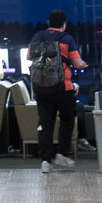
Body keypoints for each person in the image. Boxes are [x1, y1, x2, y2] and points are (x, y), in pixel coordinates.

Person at [30, 10, 85, 173]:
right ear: (64, 24)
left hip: (41, 87)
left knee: (45, 123)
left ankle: (45, 161)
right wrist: (83, 64)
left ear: (48, 23)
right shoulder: (66, 39)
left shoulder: (38, 37)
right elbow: (76, 62)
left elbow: (29, 56)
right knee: (67, 120)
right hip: (63, 87)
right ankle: (62, 153)